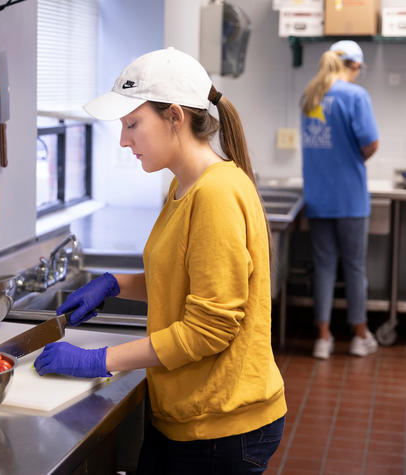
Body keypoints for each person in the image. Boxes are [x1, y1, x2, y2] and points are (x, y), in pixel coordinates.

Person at [34, 48, 286, 474]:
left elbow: (208, 330)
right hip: (186, 416)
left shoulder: (216, 194)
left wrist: (100, 360)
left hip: (220, 428)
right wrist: (116, 284)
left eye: (133, 124)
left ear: (174, 116)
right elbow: (182, 280)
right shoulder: (183, 187)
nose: (123, 139)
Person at [300, 40, 379, 360]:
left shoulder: (310, 96)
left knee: (324, 267)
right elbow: (370, 143)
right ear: (355, 66)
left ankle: (323, 338)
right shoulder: (355, 95)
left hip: (318, 196)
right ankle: (360, 336)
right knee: (355, 267)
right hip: (349, 197)